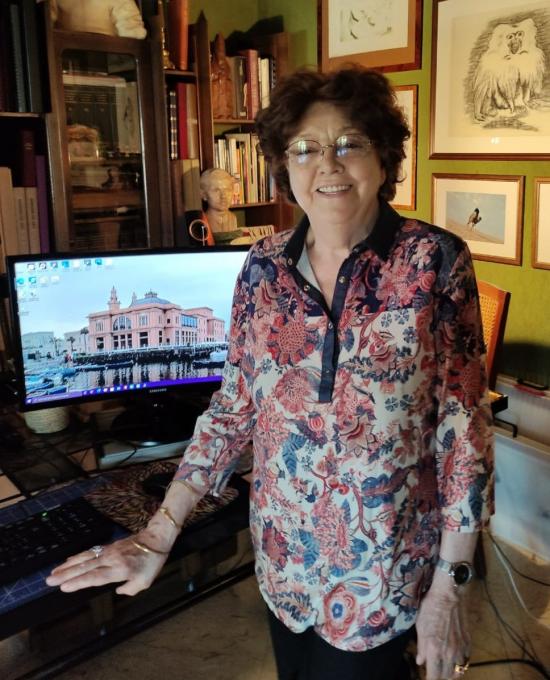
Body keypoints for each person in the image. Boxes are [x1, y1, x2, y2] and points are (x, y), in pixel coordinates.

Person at [46, 66, 494, 680]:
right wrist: (160, 531)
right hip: (283, 560)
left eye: (349, 143)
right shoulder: (263, 266)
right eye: (305, 149)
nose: (327, 166)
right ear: (285, 168)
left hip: (384, 574)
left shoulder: (433, 262)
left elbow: (463, 432)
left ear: (384, 159)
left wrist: (450, 585)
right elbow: (234, 408)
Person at [199, 168, 241, 244]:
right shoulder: (202, 222)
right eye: (216, 190)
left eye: (227, 190)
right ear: (204, 195)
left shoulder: (233, 218)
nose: (223, 196)